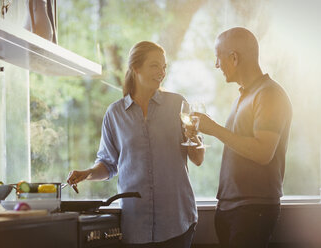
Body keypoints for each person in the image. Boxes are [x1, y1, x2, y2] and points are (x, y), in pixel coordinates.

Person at [66, 41, 205, 248]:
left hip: (177, 221)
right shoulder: (115, 114)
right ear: (135, 68)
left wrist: (193, 137)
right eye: (155, 66)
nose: (162, 72)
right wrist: (88, 173)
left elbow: (198, 158)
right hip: (136, 224)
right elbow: (108, 164)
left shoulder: (177, 105)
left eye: (164, 67)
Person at [189, 27, 292, 248]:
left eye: (218, 58)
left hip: (253, 209)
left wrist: (214, 128)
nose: (217, 65)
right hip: (232, 208)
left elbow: (263, 152)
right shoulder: (244, 96)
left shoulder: (269, 94)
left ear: (234, 57)